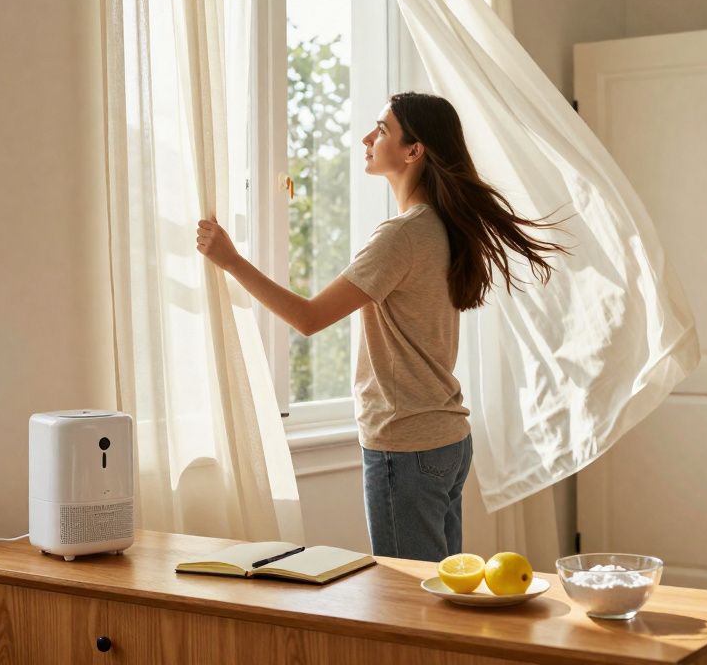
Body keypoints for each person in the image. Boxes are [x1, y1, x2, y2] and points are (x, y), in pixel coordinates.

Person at [197, 91, 571, 562]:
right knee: (439, 594)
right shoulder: (442, 227)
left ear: (414, 150)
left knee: (408, 604)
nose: (366, 138)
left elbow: (309, 318)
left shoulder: (403, 235)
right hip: (447, 441)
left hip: (406, 447)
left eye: (381, 129)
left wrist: (231, 261)